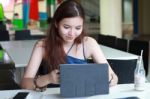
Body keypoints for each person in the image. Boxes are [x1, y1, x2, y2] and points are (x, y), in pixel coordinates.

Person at [21, 0, 118, 90]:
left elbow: (114, 77)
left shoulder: (89, 43)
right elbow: (25, 83)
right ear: (56, 24)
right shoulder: (42, 46)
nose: (72, 33)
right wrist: (48, 78)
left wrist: (109, 80)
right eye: (66, 27)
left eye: (78, 28)